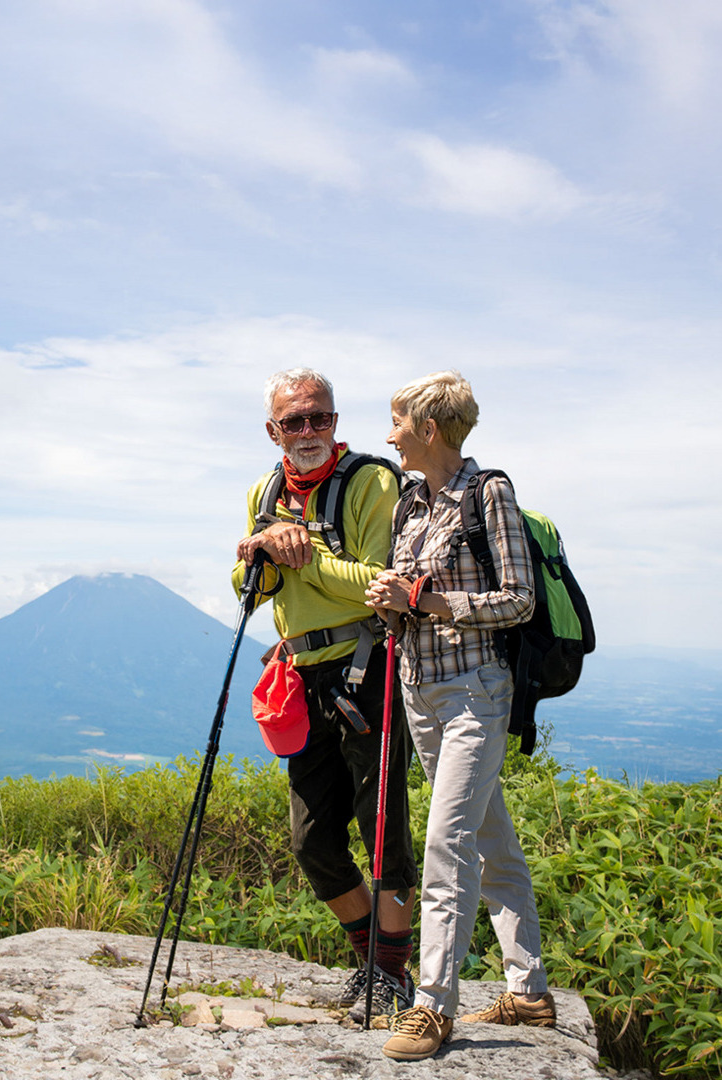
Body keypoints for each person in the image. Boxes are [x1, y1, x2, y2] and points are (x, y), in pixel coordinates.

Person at [364, 370, 556, 1062]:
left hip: (476, 690)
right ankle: (528, 990)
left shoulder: (489, 493)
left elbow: (519, 599)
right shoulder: (410, 501)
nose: (390, 437)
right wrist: (392, 597)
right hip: (422, 689)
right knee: (489, 837)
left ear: (429, 430)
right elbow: (411, 598)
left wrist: (442, 605)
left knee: (447, 841)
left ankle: (431, 1007)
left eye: (397, 425)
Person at [233, 367, 418, 1023]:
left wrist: (298, 550)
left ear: (336, 422)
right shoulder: (266, 490)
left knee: (380, 834)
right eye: (295, 421)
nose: (309, 431)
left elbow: (377, 581)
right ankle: (375, 965)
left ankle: (388, 978)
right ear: (272, 430)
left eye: (321, 418)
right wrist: (259, 554)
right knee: (313, 841)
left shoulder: (372, 481)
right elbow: (249, 592)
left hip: (368, 671)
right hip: (302, 676)